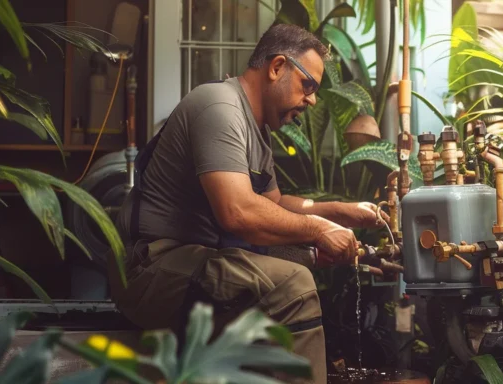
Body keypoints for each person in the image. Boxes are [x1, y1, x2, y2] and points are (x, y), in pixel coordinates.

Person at [107, 23, 386, 383]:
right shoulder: (219, 106)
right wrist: (320, 229)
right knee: (295, 289)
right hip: (151, 266)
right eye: (309, 86)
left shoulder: (259, 134)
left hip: (194, 260)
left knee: (301, 262)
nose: (313, 100)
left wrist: (337, 212)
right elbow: (238, 212)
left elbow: (274, 205)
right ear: (277, 67)